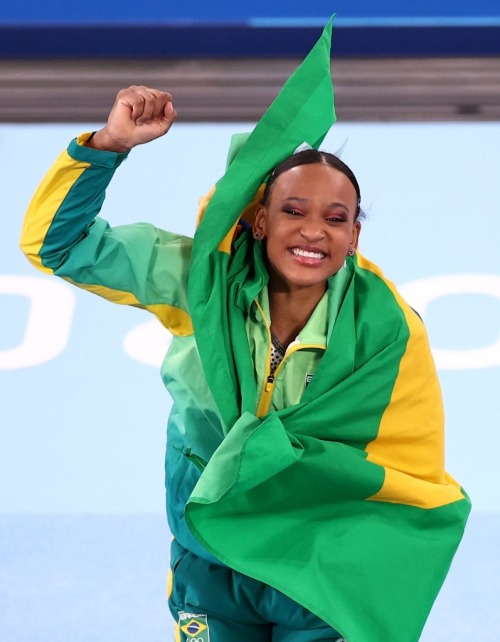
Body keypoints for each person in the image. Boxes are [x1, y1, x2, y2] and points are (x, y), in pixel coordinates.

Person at [20, 23, 470, 642]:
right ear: (258, 220)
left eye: (336, 218)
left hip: (316, 565)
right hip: (211, 553)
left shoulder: (388, 331)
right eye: (293, 211)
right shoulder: (195, 281)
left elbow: (404, 460)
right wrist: (109, 144)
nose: (314, 230)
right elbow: (58, 245)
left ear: (354, 237)